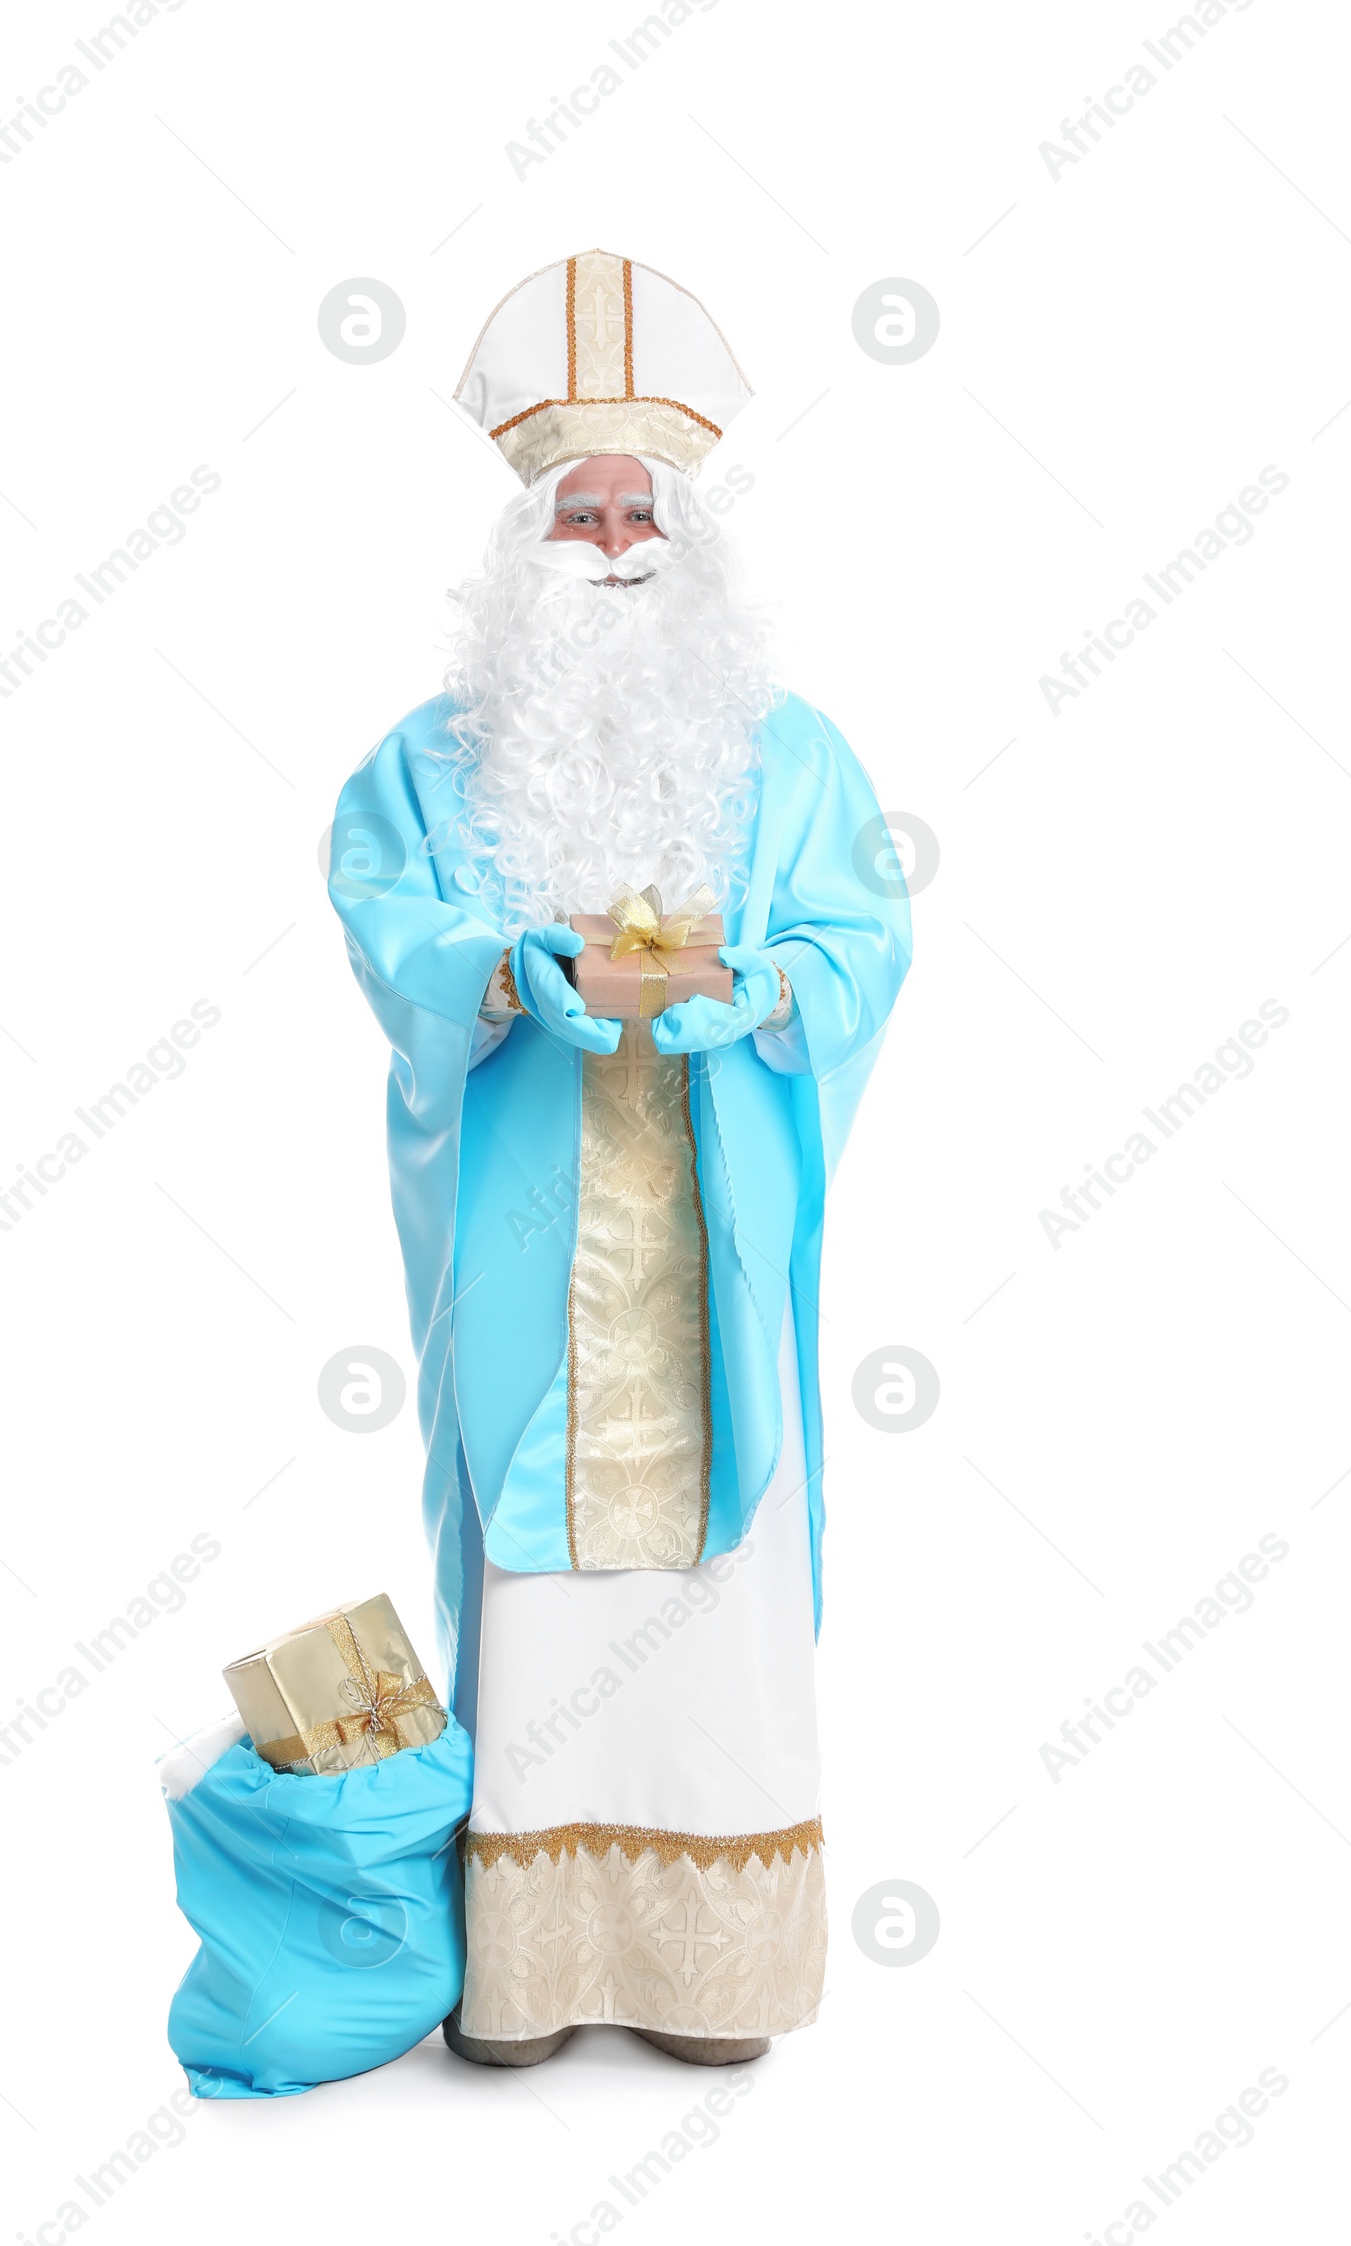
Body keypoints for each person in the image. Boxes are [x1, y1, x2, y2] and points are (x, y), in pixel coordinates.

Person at [327, 251, 910, 2067]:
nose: (605, 538)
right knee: (535, 1568)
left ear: (688, 529)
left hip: (710, 1225)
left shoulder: (789, 754)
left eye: (633, 504)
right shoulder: (433, 761)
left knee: (717, 1584)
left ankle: (707, 1971)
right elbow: (379, 909)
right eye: (570, 510)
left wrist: (763, 989)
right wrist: (508, 969)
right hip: (525, 1231)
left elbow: (865, 934)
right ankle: (531, 1965)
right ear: (524, 542)